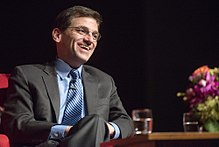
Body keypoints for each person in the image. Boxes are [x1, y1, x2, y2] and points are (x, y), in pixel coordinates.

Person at [2, 5, 134, 147]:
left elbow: (126, 122)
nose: (90, 40)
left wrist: (103, 129)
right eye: (82, 31)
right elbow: (18, 124)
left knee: (95, 122)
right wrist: (70, 131)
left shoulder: (103, 80)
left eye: (94, 35)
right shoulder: (27, 75)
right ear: (57, 35)